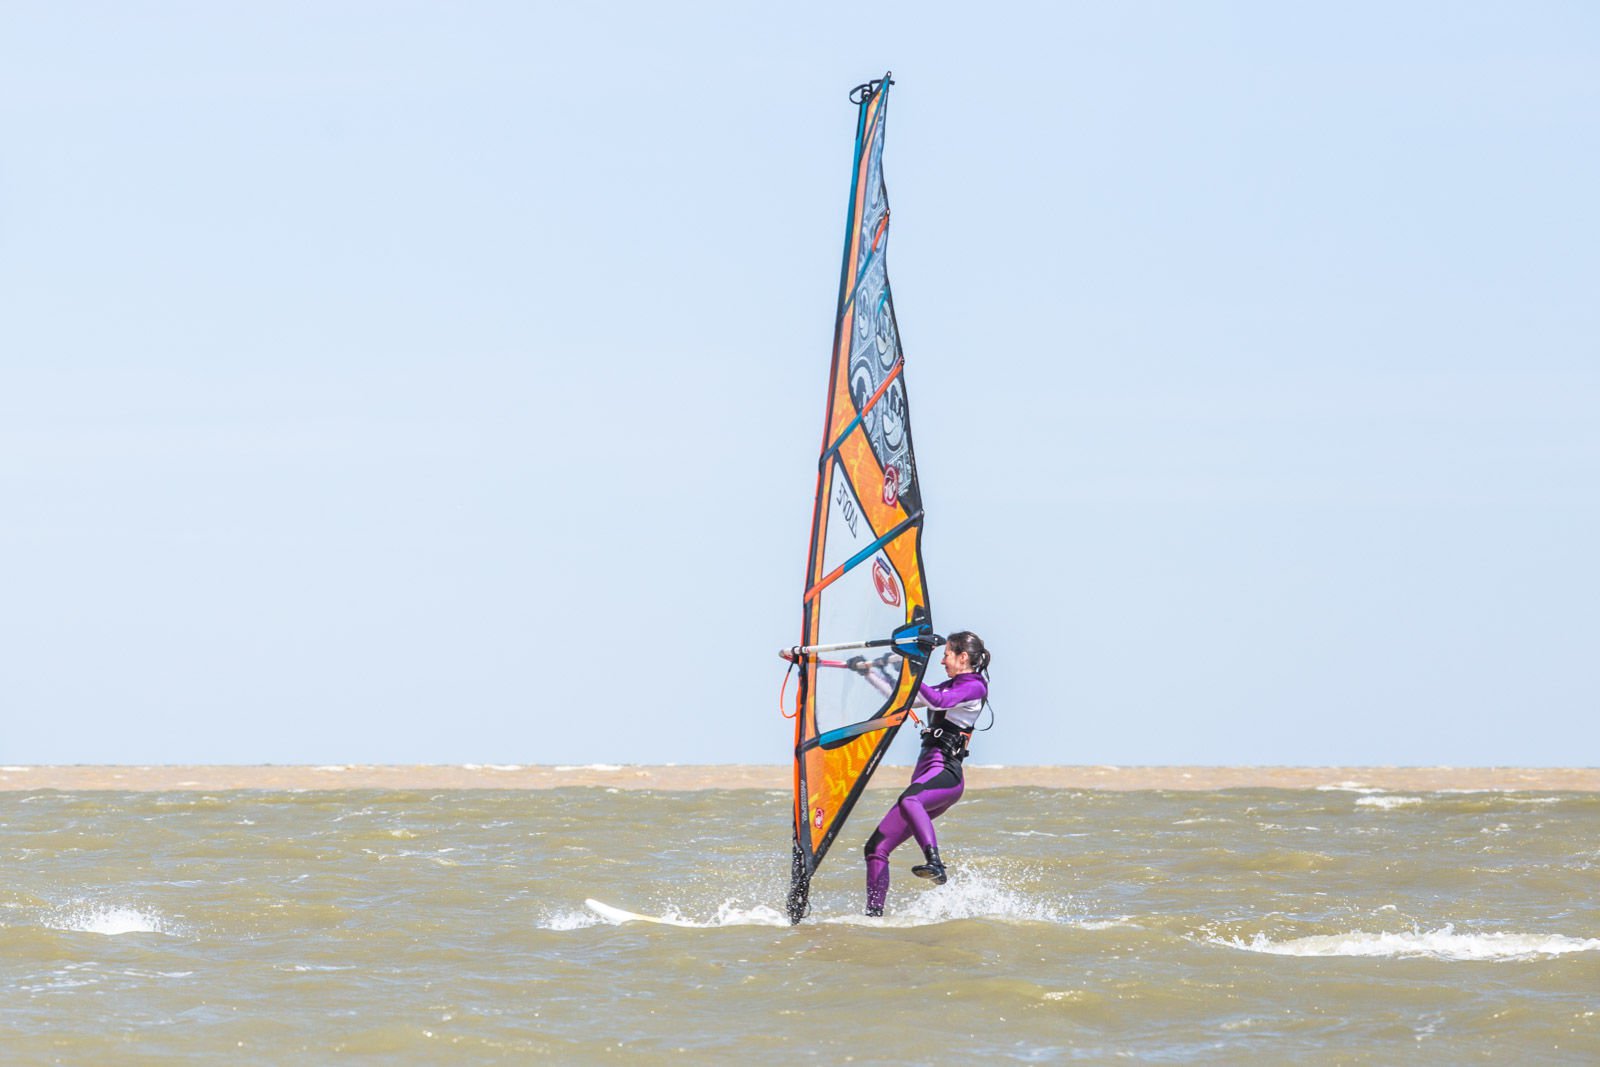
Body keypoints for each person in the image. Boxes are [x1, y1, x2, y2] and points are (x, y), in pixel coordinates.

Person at [852, 630, 991, 917]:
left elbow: (938, 701)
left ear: (963, 657)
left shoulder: (974, 687)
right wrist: (869, 673)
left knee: (909, 800)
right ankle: (874, 916)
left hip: (946, 775)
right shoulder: (949, 686)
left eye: (946, 654)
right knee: (875, 848)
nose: (942, 660)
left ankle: (935, 863)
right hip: (926, 776)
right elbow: (905, 699)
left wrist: (910, 665)